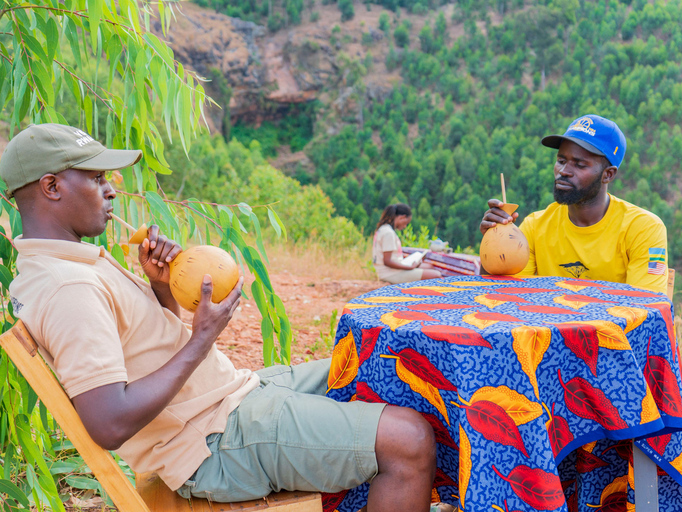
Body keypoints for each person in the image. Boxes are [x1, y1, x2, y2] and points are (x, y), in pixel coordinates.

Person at [2, 124, 436, 510]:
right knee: (409, 442)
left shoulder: (69, 264)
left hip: (230, 398)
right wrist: (201, 338)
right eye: (97, 178)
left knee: (384, 369)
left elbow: (142, 346)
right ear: (52, 187)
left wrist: (160, 289)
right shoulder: (68, 288)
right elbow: (109, 422)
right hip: (213, 442)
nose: (111, 189)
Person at [480, 114, 668, 294]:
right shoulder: (536, 226)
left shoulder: (644, 229)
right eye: (561, 160)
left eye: (579, 165)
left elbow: (646, 309)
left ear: (608, 174)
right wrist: (494, 241)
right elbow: (503, 297)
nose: (564, 171)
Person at [372, 203, 441, 283]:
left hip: (390, 270)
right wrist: (409, 267)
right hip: (390, 273)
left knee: (429, 266)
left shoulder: (384, 229)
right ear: (402, 217)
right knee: (436, 275)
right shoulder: (388, 233)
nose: (405, 226)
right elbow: (387, 261)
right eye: (406, 223)